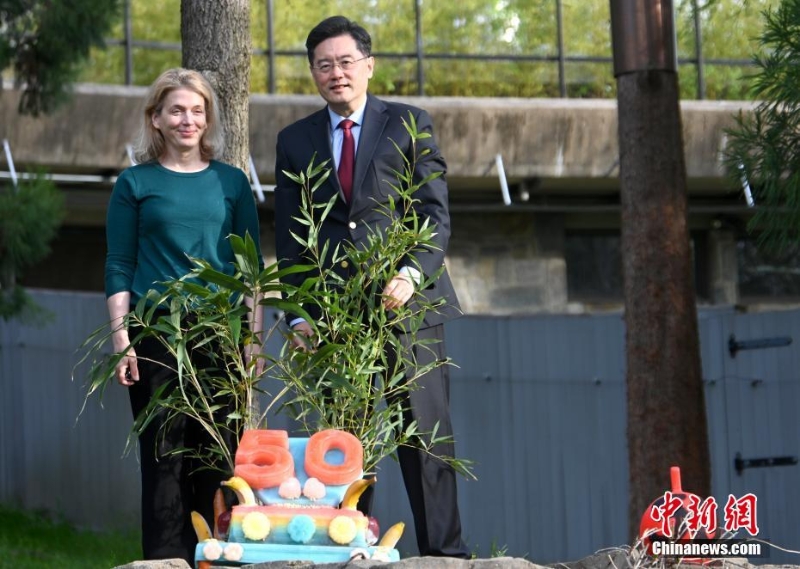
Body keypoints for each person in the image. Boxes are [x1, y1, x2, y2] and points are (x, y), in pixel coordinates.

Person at [274, 16, 469, 559]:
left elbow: (434, 216)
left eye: (345, 62)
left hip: (408, 309)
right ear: (313, 72)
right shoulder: (294, 141)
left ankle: (444, 555)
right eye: (323, 65)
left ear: (368, 65)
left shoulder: (410, 123)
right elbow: (291, 241)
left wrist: (409, 273)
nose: (336, 74)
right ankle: (347, 548)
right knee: (342, 443)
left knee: (423, 437)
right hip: (335, 321)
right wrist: (296, 314)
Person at [104, 67, 264, 563]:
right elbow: (119, 266)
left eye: (197, 110)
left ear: (209, 118)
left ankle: (215, 557)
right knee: (164, 456)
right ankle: (165, 560)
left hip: (220, 334)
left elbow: (251, 271)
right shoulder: (135, 183)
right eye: (176, 110)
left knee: (218, 458)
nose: (187, 119)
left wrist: (253, 342)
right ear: (156, 119)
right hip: (156, 336)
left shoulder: (232, 183)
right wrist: (121, 341)